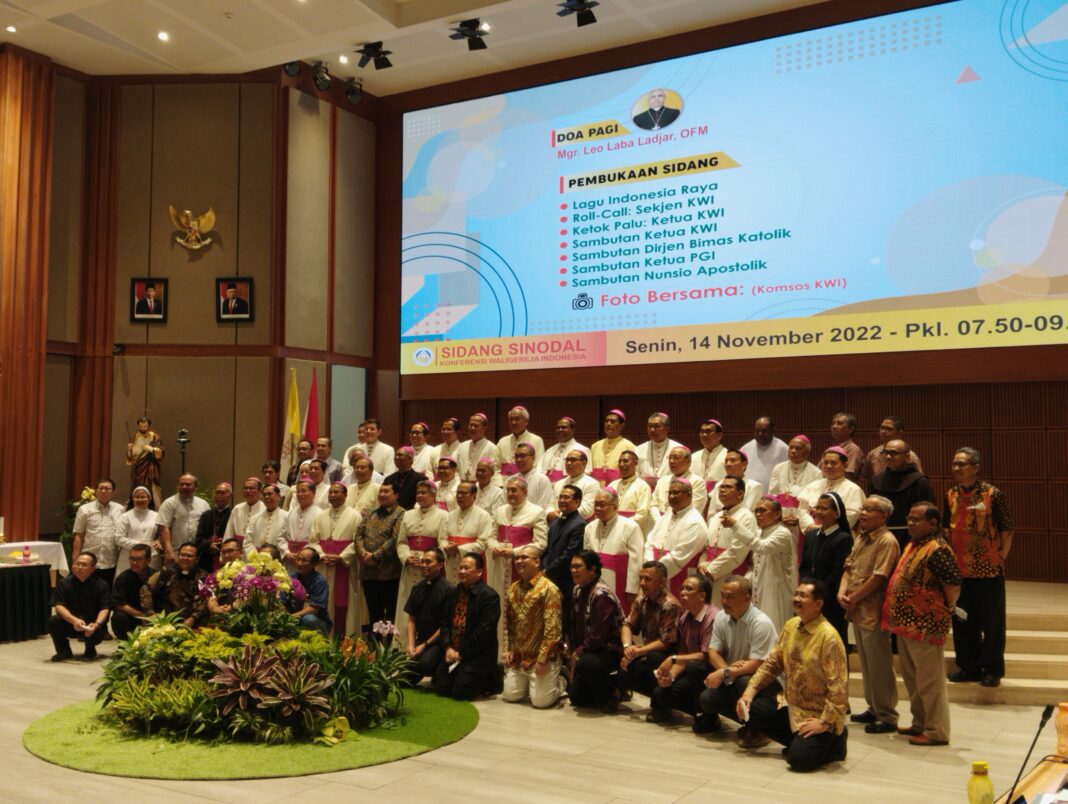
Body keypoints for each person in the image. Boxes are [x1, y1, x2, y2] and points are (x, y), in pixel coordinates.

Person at [736, 579, 849, 771]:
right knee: (754, 708)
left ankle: (835, 738)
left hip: (817, 714)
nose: (796, 599)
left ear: (818, 604)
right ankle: (802, 743)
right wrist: (749, 692)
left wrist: (826, 722)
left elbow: (839, 686)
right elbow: (772, 664)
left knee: (798, 761)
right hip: (791, 707)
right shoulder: (791, 625)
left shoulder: (829, 636)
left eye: (803, 596)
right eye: (795, 594)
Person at [883, 503, 961, 746]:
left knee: (930, 681)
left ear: (933, 523)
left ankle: (936, 731)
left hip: (926, 624)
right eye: (909, 518)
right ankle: (920, 722)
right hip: (906, 624)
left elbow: (953, 583)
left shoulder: (938, 549)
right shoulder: (914, 544)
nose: (910, 523)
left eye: (916, 520)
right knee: (913, 679)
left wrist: (947, 606)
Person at [945, 447, 1014, 688]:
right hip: (959, 570)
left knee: (992, 623)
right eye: (954, 464)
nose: (956, 468)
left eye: (961, 464)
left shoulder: (992, 494)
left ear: (975, 467)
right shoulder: (951, 494)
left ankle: (992, 670)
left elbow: (1007, 528)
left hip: (989, 570)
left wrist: (1001, 556)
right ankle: (969, 667)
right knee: (963, 621)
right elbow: (946, 529)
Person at [840, 496, 900, 734]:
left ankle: (887, 714)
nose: (863, 513)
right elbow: (848, 567)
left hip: (874, 610)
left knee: (880, 665)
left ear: (883, 516)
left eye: (869, 510)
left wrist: (853, 597)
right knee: (866, 663)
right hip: (856, 609)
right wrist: (842, 592)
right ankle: (873, 707)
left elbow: (879, 577)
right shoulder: (862, 536)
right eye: (863, 508)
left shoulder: (887, 541)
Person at [696, 577, 779, 743]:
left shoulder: (761, 623)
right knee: (707, 699)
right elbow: (713, 652)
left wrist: (727, 672)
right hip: (734, 675)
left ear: (747, 598)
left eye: (730, 597)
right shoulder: (721, 617)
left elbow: (759, 664)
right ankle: (742, 721)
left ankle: (759, 729)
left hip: (765, 682)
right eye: (723, 596)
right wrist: (726, 671)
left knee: (745, 680)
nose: (724, 601)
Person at [648, 575, 719, 724]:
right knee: (660, 693)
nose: (682, 592)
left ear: (702, 596)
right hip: (690, 667)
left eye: (688, 589)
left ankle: (708, 717)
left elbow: (706, 656)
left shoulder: (713, 617)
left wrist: (673, 659)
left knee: (694, 668)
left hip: (709, 670)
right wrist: (671, 677)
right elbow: (683, 653)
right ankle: (696, 711)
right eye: (681, 588)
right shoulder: (684, 617)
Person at [503, 545, 566, 708]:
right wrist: (510, 649)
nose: (519, 561)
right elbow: (510, 624)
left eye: (524, 557)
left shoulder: (549, 589)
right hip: (520, 656)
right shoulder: (513, 589)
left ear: (537, 562)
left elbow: (553, 630)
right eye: (517, 558)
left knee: (541, 702)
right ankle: (532, 684)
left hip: (542, 657)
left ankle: (562, 680)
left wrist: (543, 660)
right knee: (511, 695)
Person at [433, 553, 501, 700]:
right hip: (452, 651)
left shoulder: (490, 596)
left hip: (476, 654)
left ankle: (491, 678)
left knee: (460, 693)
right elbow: (444, 623)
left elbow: (484, 632)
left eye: (467, 568)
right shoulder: (454, 592)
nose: (462, 571)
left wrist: (461, 652)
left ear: (479, 572)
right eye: (461, 568)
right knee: (441, 687)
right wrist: (448, 647)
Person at [567, 551, 624, 711]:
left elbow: (599, 636)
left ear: (592, 570)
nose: (573, 570)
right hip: (590, 649)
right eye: (572, 567)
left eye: (578, 567)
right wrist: (572, 650)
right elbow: (575, 625)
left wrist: (578, 652)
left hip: (609, 649)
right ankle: (602, 689)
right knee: (577, 699)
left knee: (586, 664)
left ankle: (614, 692)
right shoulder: (577, 590)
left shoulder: (601, 595)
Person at [343, 482, 404, 628]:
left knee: (390, 612)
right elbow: (358, 534)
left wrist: (374, 556)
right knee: (374, 611)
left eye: (386, 491)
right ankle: (374, 640)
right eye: (380, 491)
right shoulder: (371, 512)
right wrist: (363, 553)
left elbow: (395, 538)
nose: (382, 494)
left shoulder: (401, 513)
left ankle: (388, 642)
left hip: (389, 572)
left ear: (396, 495)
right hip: (368, 571)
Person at [619, 561, 681, 699]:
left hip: (666, 654)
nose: (642, 583)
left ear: (662, 582)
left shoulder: (670, 605)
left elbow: (664, 643)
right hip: (646, 650)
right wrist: (627, 647)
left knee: (654, 658)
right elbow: (627, 625)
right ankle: (619, 691)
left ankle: (660, 700)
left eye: (647, 579)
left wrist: (637, 652)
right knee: (619, 651)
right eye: (641, 578)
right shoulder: (641, 599)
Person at [798, 492, 853, 646]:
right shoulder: (811, 535)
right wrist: (806, 589)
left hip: (830, 600)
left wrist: (816, 593)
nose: (818, 512)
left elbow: (837, 573)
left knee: (832, 643)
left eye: (824, 508)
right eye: (817, 508)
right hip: (810, 599)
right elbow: (804, 566)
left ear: (837, 513)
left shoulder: (844, 538)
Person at [395, 480, 448, 639]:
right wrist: (406, 557)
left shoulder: (443, 515)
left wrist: (427, 560)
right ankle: (403, 644)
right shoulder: (408, 514)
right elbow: (401, 542)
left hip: (430, 569)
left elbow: (443, 542)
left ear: (433, 495)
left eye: (424, 492)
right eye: (418, 492)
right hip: (410, 567)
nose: (419, 495)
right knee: (406, 603)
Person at [308, 482, 362, 635]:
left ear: (345, 495)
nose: (332, 495)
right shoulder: (320, 515)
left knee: (344, 604)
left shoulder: (355, 516)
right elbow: (313, 540)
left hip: (344, 567)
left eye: (336, 492)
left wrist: (341, 557)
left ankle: (342, 639)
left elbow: (357, 542)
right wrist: (322, 555)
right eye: (330, 492)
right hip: (324, 565)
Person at [644, 479, 707, 598]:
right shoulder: (667, 516)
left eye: (676, 493)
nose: (672, 496)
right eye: (670, 493)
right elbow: (649, 543)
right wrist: (649, 566)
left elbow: (678, 556)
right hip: (656, 574)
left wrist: (653, 574)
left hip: (677, 577)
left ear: (689, 495)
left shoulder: (695, 522)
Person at [584, 488, 644, 614]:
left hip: (620, 582)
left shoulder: (630, 526)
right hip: (595, 581)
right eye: (596, 504)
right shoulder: (590, 527)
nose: (597, 508)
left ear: (615, 507)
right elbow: (586, 557)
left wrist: (632, 589)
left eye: (602, 505)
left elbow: (636, 560)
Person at [701, 475, 758, 603]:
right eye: (721, 487)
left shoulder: (747, 517)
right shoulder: (716, 516)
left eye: (728, 487)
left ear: (740, 494)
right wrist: (702, 564)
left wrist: (711, 571)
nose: (722, 490)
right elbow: (707, 547)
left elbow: (736, 552)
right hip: (708, 573)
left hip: (729, 573)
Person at [870, 439, 934, 552]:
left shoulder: (919, 481)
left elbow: (928, 514)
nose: (888, 456)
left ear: (907, 456)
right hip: (880, 538)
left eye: (893, 453)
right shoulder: (876, 481)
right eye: (886, 453)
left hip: (910, 537)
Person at [402, 547, 453, 683]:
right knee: (400, 672)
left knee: (425, 664)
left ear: (440, 565)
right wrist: (411, 645)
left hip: (439, 643)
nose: (423, 565)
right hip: (420, 641)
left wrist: (424, 645)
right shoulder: (417, 588)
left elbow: (446, 625)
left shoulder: (449, 590)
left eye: (428, 562)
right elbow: (411, 620)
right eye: (422, 561)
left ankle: (439, 670)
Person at [49, 551, 111, 661]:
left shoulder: (101, 585)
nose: (79, 567)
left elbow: (105, 608)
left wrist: (96, 624)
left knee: (97, 631)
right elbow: (58, 605)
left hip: (92, 625)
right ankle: (63, 651)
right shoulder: (64, 583)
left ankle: (90, 649)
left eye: (84, 565)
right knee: (54, 621)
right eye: (77, 564)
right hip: (71, 623)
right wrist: (73, 620)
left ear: (93, 568)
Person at [542, 485, 587, 634]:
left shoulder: (579, 524)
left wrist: (547, 571)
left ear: (577, 502)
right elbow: (548, 549)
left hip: (566, 580)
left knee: (563, 622)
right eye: (560, 497)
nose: (562, 500)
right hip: (549, 577)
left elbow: (569, 555)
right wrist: (542, 567)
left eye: (566, 497)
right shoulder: (555, 522)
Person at [750, 497, 795, 631]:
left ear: (777, 514)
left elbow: (762, 547)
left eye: (762, 510)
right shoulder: (759, 532)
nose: (758, 515)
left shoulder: (783, 533)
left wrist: (736, 526)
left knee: (774, 630)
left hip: (775, 591)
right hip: (758, 587)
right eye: (756, 511)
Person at [794, 447, 864, 532]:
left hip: (838, 536)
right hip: (811, 533)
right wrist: (810, 525)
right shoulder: (813, 485)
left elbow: (850, 517)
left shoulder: (853, 489)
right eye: (826, 463)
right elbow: (802, 510)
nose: (829, 466)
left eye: (833, 463)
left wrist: (823, 529)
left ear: (845, 465)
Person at [140, 543, 208, 627]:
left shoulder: (204, 577)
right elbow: (145, 589)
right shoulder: (165, 573)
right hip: (164, 619)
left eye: (189, 556)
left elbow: (207, 599)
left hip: (191, 620)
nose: (185, 558)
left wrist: (193, 618)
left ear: (197, 559)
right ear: (178, 556)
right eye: (182, 555)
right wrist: (151, 613)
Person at [72, 477, 123, 588]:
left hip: (111, 560)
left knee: (107, 591)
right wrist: (76, 559)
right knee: (87, 591)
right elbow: (79, 535)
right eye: (101, 488)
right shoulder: (84, 509)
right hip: (89, 561)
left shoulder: (120, 509)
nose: (103, 491)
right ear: (96, 490)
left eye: (107, 489)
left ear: (113, 492)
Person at [443, 480, 493, 583]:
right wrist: (446, 547)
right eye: (458, 493)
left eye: (464, 493)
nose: (459, 496)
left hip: (472, 565)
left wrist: (459, 549)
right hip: (451, 563)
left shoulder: (483, 516)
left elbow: (483, 543)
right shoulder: (450, 515)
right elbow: (442, 539)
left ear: (474, 496)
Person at [157, 473, 210, 564]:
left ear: (195, 487)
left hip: (198, 553)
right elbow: (164, 527)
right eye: (182, 484)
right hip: (176, 552)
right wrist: (169, 551)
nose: (184, 487)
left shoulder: (203, 504)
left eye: (188, 484)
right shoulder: (169, 503)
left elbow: (207, 528)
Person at [859, 417, 923, 489]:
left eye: (889, 429)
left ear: (900, 433)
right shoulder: (873, 454)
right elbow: (868, 478)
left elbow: (919, 480)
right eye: (882, 428)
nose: (883, 431)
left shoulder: (909, 456)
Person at [652, 446, 707, 522]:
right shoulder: (662, 481)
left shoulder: (697, 482)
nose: (671, 461)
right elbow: (653, 505)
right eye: (670, 458)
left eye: (676, 458)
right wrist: (660, 521)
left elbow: (695, 508)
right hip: (660, 522)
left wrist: (668, 521)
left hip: (685, 523)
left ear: (688, 461)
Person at [110, 544, 153, 639]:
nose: (134, 562)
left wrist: (153, 616)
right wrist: (142, 616)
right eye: (132, 559)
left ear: (148, 560)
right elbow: (119, 604)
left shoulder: (157, 576)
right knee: (118, 617)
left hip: (153, 617)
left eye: (139, 559)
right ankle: (125, 643)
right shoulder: (122, 578)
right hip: (133, 617)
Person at [115, 485, 159, 575]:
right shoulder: (125, 516)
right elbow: (118, 538)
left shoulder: (157, 516)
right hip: (129, 556)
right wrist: (140, 544)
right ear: (133, 499)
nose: (140, 499)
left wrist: (158, 542)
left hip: (150, 555)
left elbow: (161, 536)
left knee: (150, 581)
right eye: (137, 497)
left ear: (149, 499)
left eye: (143, 497)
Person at [608, 449, 653, 535]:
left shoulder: (643, 487)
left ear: (635, 464)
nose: (621, 464)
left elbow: (641, 516)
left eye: (625, 461)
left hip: (631, 532)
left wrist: (619, 526)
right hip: (611, 530)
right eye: (620, 461)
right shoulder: (612, 485)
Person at [288, 547, 332, 633]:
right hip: (294, 617)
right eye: (298, 559)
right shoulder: (292, 577)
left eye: (304, 560)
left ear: (314, 564)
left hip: (317, 620)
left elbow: (313, 610)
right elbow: (282, 600)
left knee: (309, 619)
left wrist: (290, 617)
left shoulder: (319, 581)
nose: (299, 563)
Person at [707, 449, 764, 515]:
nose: (728, 464)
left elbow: (748, 512)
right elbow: (711, 513)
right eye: (726, 461)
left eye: (733, 460)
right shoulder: (719, 484)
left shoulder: (754, 486)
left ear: (744, 465)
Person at [739, 417, 789, 491]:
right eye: (757, 431)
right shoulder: (746, 448)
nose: (760, 434)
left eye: (764, 431)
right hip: (749, 493)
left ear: (773, 430)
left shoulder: (783, 449)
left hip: (772, 494)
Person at [548, 450, 599, 521]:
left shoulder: (592, 483)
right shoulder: (559, 483)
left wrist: (560, 516)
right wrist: (550, 513)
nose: (568, 463)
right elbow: (550, 504)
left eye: (573, 460)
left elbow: (586, 510)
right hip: (556, 523)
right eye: (567, 460)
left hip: (578, 525)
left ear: (584, 463)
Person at [590, 409, 636, 486]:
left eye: (613, 421)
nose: (608, 424)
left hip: (618, 487)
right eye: (606, 421)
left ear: (622, 426)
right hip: (596, 487)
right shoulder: (595, 446)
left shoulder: (629, 446)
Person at [125, 417, 164, 507]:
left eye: (145, 426)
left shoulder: (154, 436)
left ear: (148, 426)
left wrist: (151, 449)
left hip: (149, 466)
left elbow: (161, 452)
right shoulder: (136, 436)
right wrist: (129, 450)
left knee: (150, 486)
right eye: (141, 426)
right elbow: (131, 458)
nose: (142, 428)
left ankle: (153, 506)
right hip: (137, 468)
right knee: (137, 486)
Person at [194, 481, 232, 571]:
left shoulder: (234, 514)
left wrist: (221, 546)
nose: (219, 495)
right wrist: (209, 545)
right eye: (217, 492)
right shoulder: (206, 515)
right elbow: (199, 538)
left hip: (227, 557)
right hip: (206, 558)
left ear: (230, 495)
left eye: (223, 493)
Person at [635, 412, 682, 484]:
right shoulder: (638, 450)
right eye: (649, 426)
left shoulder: (679, 449)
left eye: (656, 426)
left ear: (667, 429)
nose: (652, 430)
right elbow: (635, 474)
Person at [244, 483, 289, 557]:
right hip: (257, 558)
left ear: (278, 496)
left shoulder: (287, 517)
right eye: (264, 495)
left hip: (278, 558)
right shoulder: (255, 518)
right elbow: (247, 541)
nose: (266, 497)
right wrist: (256, 557)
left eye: (269, 494)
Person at [540, 416, 590, 482]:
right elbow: (539, 469)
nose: (560, 430)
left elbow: (586, 473)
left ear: (573, 430)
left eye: (564, 427)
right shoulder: (550, 450)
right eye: (558, 428)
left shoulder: (583, 450)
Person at [497, 406, 545, 474]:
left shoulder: (537, 440)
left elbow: (539, 466)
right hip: (504, 480)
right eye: (511, 419)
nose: (513, 422)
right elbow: (496, 467)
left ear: (526, 421)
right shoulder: (502, 441)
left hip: (527, 479)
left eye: (517, 419)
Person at [457, 413, 500, 482]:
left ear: (484, 428)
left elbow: (493, 472)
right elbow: (456, 469)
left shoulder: (492, 448)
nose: (472, 428)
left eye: (476, 426)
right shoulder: (462, 446)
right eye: (471, 425)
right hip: (462, 485)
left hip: (481, 486)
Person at [206, 538, 244, 615]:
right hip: (218, 614)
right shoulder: (217, 573)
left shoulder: (249, 572)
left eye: (230, 551)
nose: (226, 555)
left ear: (241, 552)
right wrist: (214, 607)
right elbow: (210, 594)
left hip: (240, 614)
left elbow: (248, 596)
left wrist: (232, 607)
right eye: (223, 552)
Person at [692, 418, 728, 495]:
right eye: (702, 432)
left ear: (720, 435)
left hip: (719, 497)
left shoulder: (728, 456)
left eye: (708, 431)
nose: (704, 435)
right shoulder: (693, 456)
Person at [514, 443, 554, 510]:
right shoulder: (510, 480)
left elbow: (543, 507)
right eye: (516, 456)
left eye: (522, 456)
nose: (518, 460)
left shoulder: (542, 480)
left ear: (533, 458)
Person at [224, 477, 265, 544]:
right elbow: (229, 532)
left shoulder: (265, 509)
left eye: (251, 488)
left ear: (260, 491)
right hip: (238, 547)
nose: (248, 491)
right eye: (245, 488)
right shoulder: (237, 508)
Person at [830, 412, 864, 481]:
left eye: (839, 423)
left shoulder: (853, 449)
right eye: (833, 423)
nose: (834, 426)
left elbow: (848, 477)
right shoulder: (831, 449)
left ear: (850, 429)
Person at [286, 479, 319, 549]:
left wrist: (304, 552)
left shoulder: (319, 514)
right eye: (298, 491)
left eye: (303, 491)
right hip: (290, 552)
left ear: (313, 492)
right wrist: (286, 551)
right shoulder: (291, 513)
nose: (300, 494)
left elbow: (318, 540)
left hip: (309, 552)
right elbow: (284, 536)